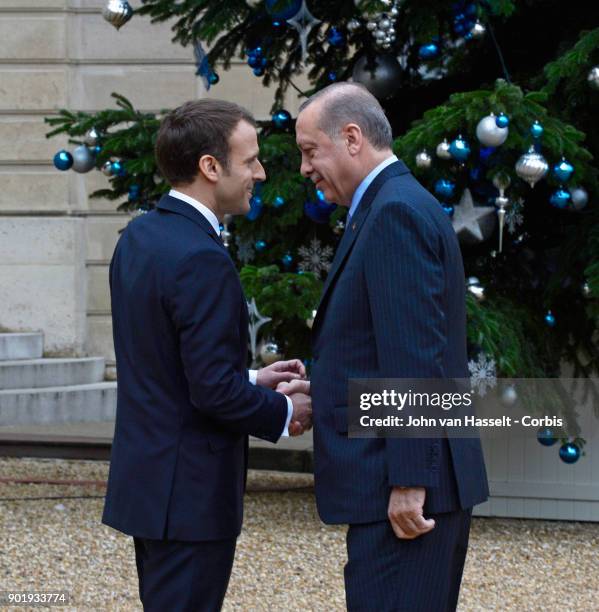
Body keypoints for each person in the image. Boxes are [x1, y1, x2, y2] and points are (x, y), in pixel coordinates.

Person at [102, 99, 312, 612]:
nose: (260, 173)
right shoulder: (201, 256)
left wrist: (252, 376)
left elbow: (164, 362)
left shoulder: (141, 236)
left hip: (151, 486)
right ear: (210, 167)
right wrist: (287, 412)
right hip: (190, 497)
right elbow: (211, 391)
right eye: (250, 161)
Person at [293, 82, 489, 611]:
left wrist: (409, 481)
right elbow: (384, 347)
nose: (305, 168)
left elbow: (415, 358)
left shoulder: (393, 212)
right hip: (402, 479)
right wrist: (326, 389)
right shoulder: (384, 205)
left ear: (352, 137)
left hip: (405, 490)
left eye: (311, 152)